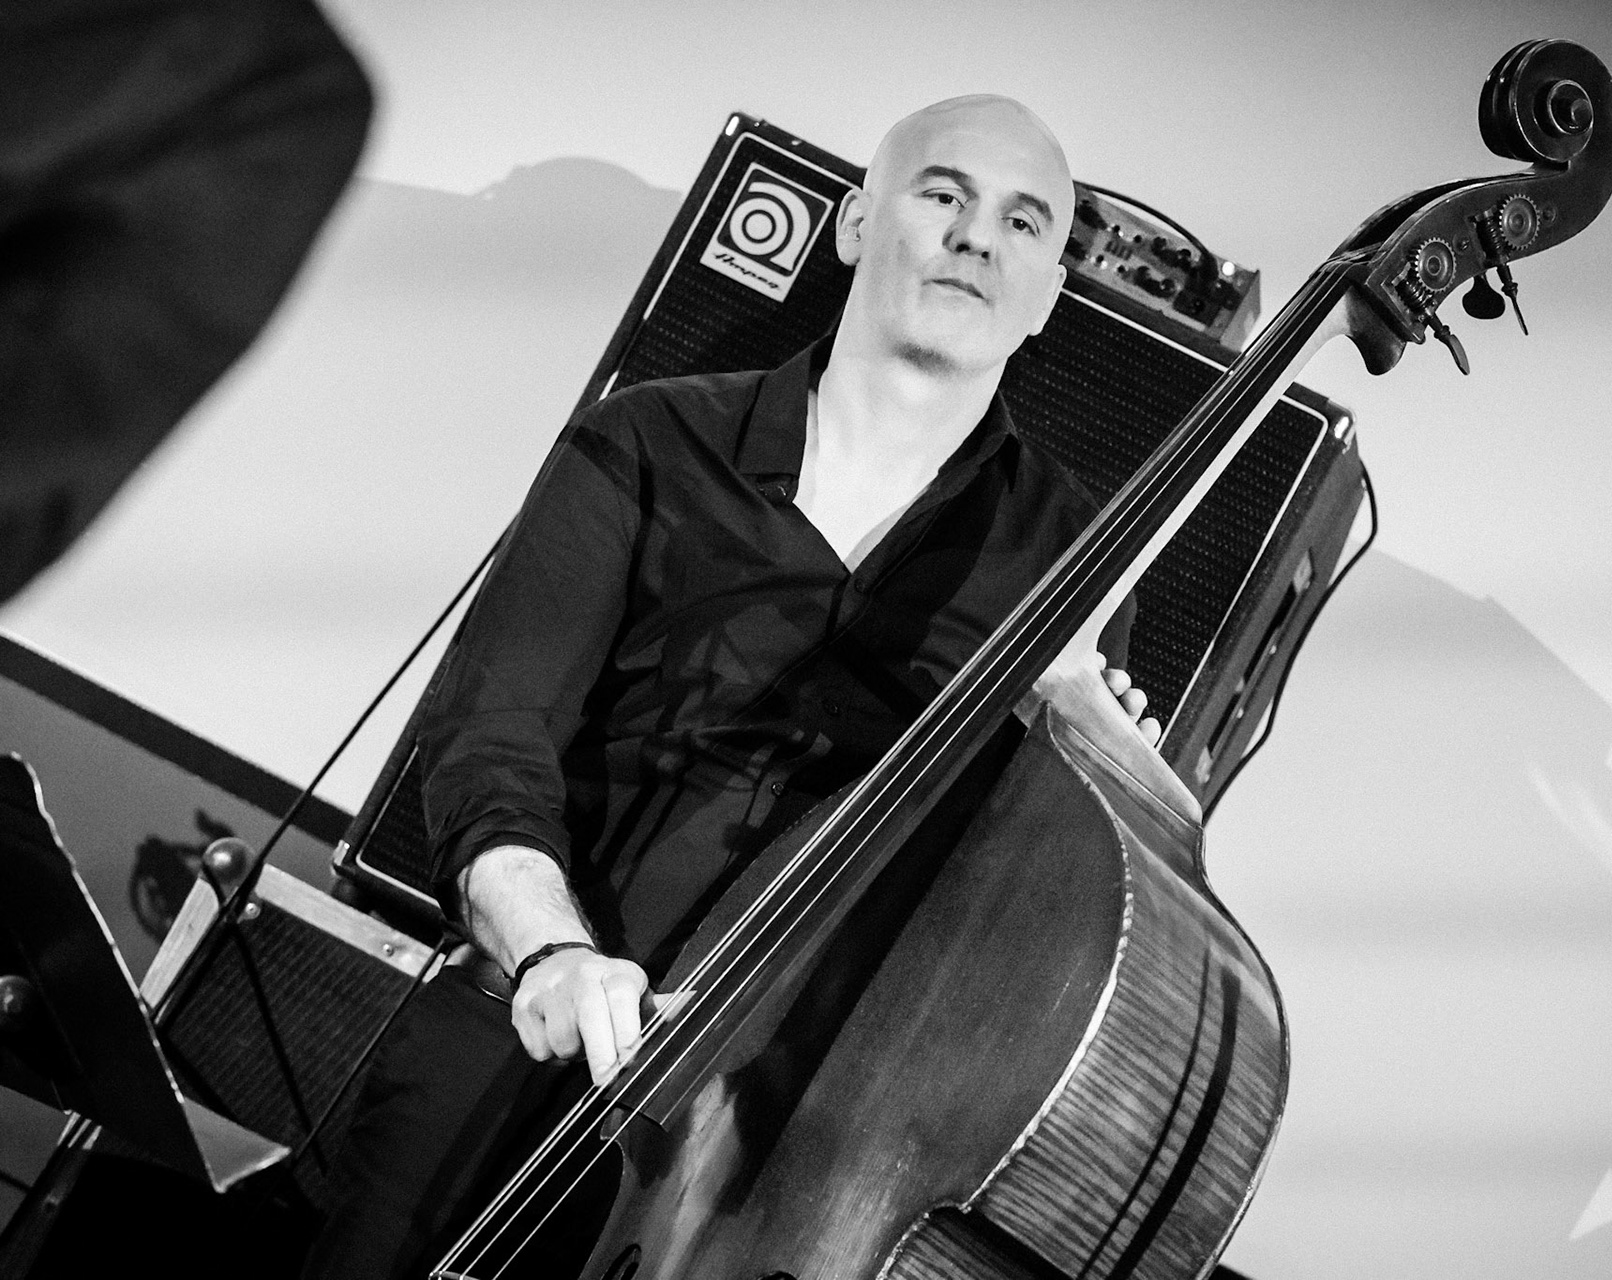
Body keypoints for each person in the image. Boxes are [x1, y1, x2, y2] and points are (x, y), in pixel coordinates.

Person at [302, 93, 1158, 1278]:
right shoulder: (653, 443)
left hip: (784, 1156)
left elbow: (1014, 931)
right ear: (857, 224)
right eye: (944, 195)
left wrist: (1103, 773)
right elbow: (488, 743)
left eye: (1024, 222)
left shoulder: (1080, 568)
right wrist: (554, 951)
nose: (976, 238)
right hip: (540, 1027)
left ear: (1049, 291)